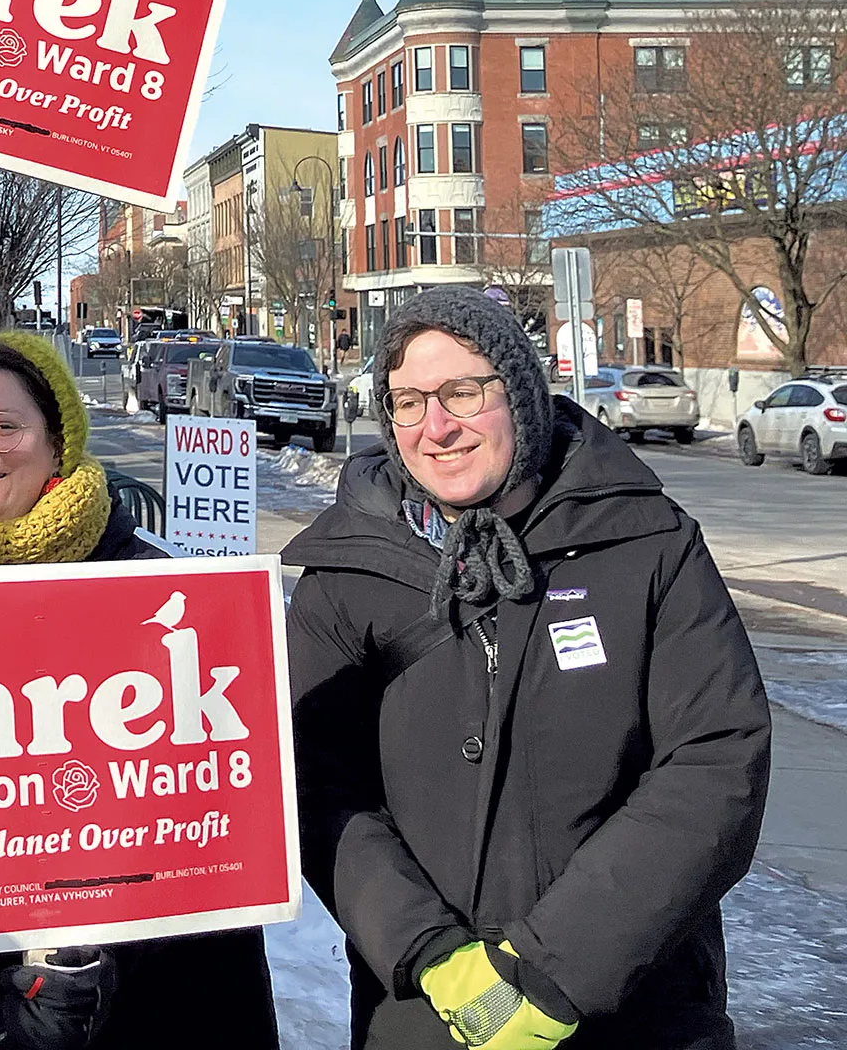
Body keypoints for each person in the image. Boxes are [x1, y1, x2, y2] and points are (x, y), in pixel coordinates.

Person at [288, 286, 770, 1050]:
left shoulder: (646, 541)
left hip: (638, 1006)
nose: (437, 427)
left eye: (462, 392)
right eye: (409, 402)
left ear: (517, 393)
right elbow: (317, 784)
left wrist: (556, 971)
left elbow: (715, 760)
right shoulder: (345, 576)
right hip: (425, 1013)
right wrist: (430, 953)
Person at [0, 333, 279, 1050]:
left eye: (5, 426)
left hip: (140, 1002)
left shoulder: (161, 595)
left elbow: (212, 835)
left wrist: (97, 963)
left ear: (57, 445)